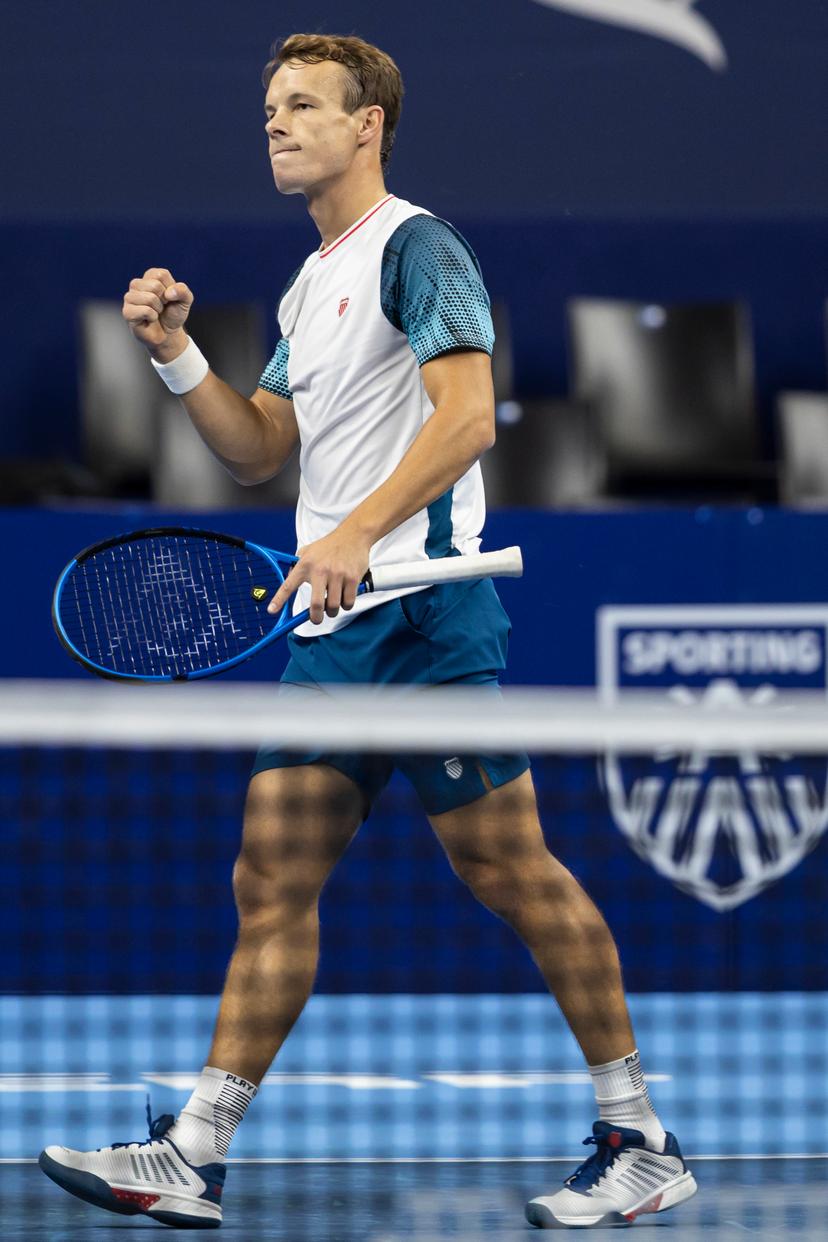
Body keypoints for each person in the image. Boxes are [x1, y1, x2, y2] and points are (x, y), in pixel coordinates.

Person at [39, 32, 696, 1231]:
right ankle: (194, 1153)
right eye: (270, 107)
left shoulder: (418, 248)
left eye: (303, 105)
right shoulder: (311, 285)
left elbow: (469, 418)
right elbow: (259, 451)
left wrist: (355, 533)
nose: (277, 123)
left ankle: (639, 1136)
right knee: (270, 875)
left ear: (368, 125)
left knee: (508, 870)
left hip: (426, 614)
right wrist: (178, 356)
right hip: (336, 631)